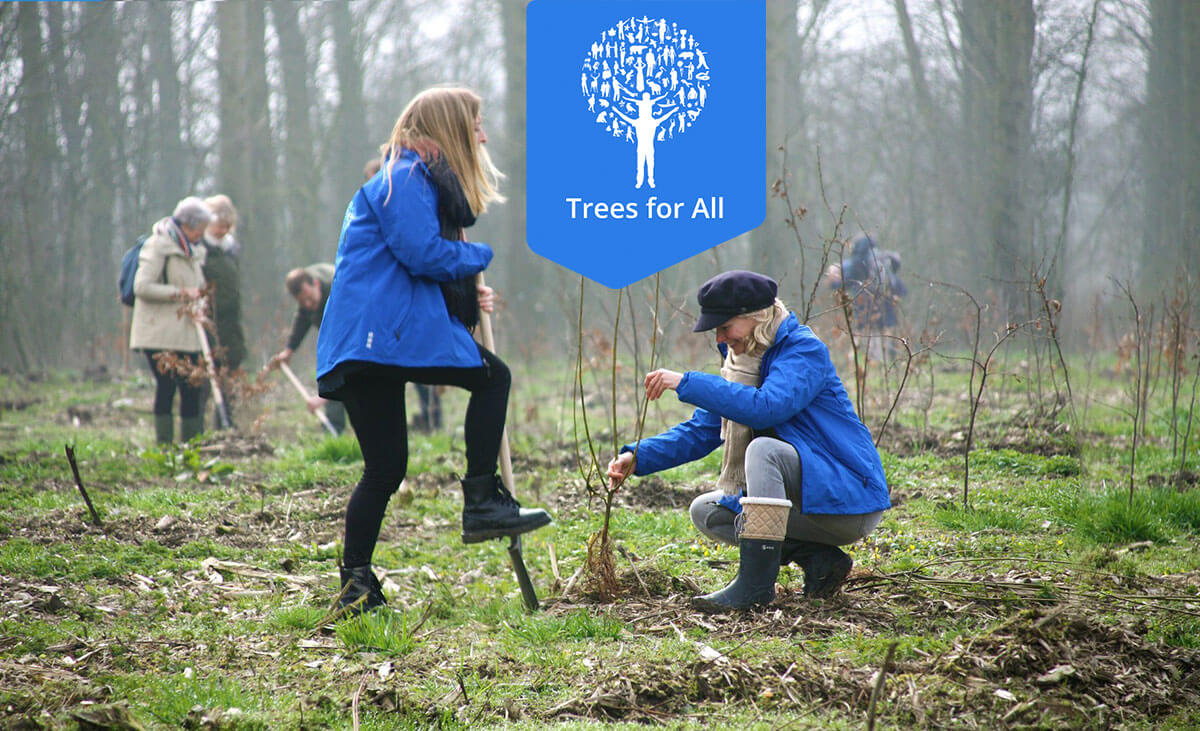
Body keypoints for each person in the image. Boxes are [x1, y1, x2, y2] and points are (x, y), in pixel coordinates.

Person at [315, 86, 551, 613]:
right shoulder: (404, 179)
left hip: (375, 338)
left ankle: (356, 584)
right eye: (476, 124)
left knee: (385, 466)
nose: (484, 135)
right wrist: (477, 256)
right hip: (377, 339)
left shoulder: (409, 179)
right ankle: (482, 501)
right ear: (449, 129)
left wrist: (465, 287)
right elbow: (421, 254)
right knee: (492, 378)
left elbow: (401, 266)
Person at [607, 271, 889, 612]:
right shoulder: (743, 365)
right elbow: (701, 431)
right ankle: (820, 559)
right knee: (708, 512)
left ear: (755, 317)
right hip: (809, 504)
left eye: (725, 327)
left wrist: (686, 382)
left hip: (846, 501)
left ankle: (755, 587)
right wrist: (639, 457)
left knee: (764, 450)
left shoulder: (803, 351)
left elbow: (768, 408)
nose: (721, 339)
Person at [129, 197, 212, 444]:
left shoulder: (194, 251)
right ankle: (164, 448)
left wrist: (201, 302)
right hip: (158, 334)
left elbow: (199, 287)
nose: (202, 235)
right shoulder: (158, 247)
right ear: (187, 225)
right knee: (166, 387)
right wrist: (181, 293)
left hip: (187, 334)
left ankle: (192, 448)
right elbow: (141, 287)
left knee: (193, 388)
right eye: (199, 229)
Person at [269, 264, 345, 435]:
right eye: (303, 302)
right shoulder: (307, 297)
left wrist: (323, 398)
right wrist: (289, 350)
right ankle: (334, 430)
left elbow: (345, 358)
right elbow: (302, 318)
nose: (309, 305)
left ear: (316, 284)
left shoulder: (338, 292)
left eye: (310, 298)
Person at [200, 194, 246, 427]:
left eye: (227, 226)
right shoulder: (200, 249)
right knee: (205, 380)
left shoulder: (231, 250)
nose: (222, 231)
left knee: (230, 376)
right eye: (219, 225)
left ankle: (226, 424)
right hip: (208, 323)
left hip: (231, 325)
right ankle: (198, 427)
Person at [824, 234, 907, 359]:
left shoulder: (858, 261)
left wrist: (833, 284)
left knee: (871, 333)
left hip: (867, 303)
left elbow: (847, 282)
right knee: (885, 331)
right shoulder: (881, 257)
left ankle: (875, 361)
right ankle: (888, 361)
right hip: (886, 301)